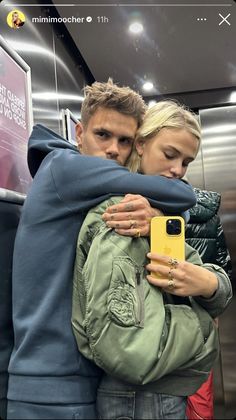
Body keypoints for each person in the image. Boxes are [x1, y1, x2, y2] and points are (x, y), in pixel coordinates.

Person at [7, 81, 197, 420]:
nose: (113, 150)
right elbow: (182, 194)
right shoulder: (64, 167)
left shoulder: (91, 190)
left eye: (124, 141)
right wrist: (160, 210)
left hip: (75, 380)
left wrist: (155, 215)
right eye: (103, 135)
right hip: (52, 385)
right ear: (79, 133)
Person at [72, 101, 233, 420]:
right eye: (170, 155)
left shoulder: (159, 214)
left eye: (186, 162)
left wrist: (210, 284)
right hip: (140, 396)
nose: (177, 170)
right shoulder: (124, 215)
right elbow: (130, 350)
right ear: (141, 144)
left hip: (157, 390)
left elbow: (201, 281)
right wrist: (203, 323)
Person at [185, 187, 232, 420]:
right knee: (199, 403)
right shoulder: (206, 206)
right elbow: (224, 267)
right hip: (201, 323)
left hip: (155, 325)